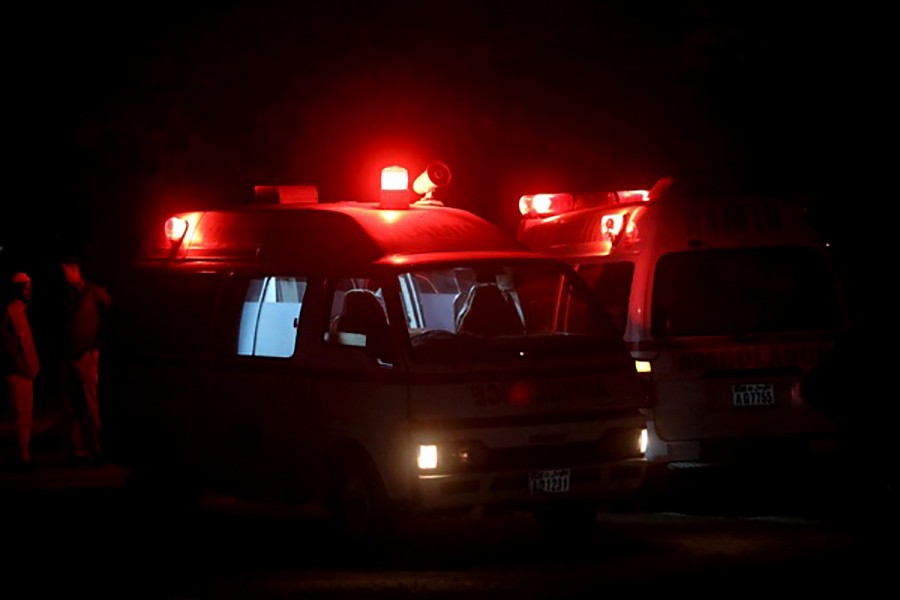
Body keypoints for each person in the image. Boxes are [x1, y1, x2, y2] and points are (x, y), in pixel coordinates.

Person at [60, 257, 111, 464]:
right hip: (69, 355)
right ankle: (78, 449)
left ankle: (99, 449)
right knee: (73, 405)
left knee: (91, 403)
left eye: (67, 271)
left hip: (88, 354)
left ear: (76, 270)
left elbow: (110, 315)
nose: (64, 276)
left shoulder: (94, 292)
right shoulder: (66, 295)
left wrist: (98, 344)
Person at [1, 272, 40, 469]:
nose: (29, 290)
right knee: (19, 415)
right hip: (16, 371)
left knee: (26, 414)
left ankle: (24, 453)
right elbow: (7, 341)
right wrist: (18, 362)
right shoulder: (10, 311)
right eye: (26, 286)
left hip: (27, 370)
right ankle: (21, 456)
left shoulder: (24, 310)